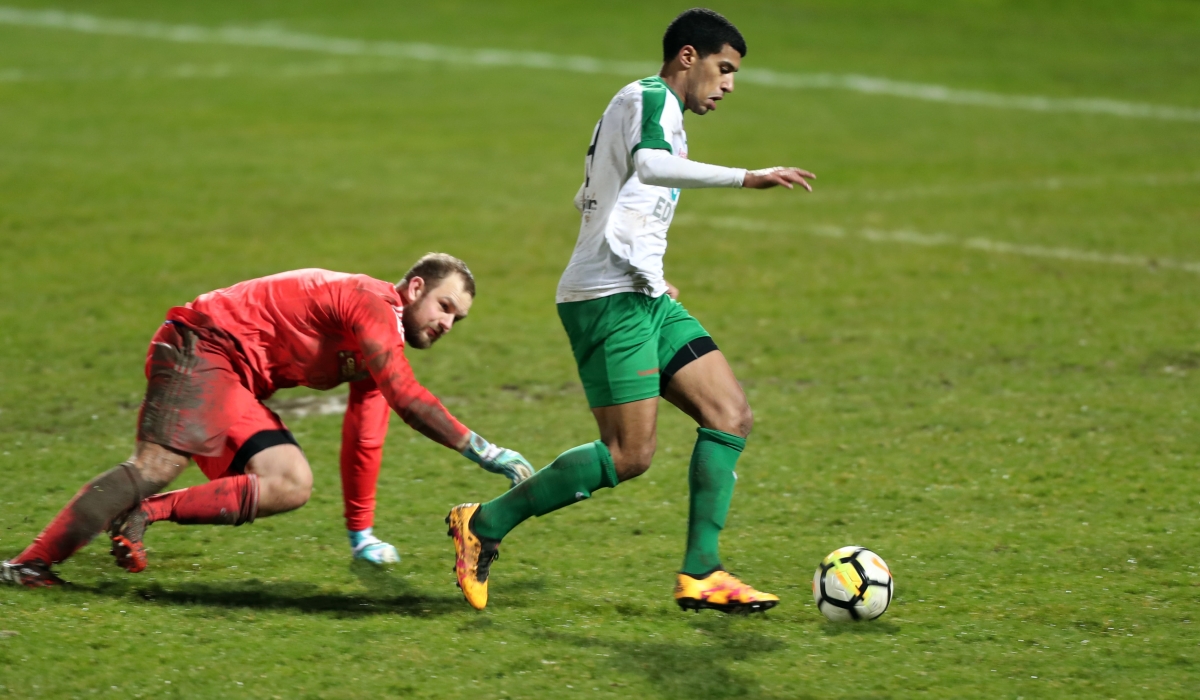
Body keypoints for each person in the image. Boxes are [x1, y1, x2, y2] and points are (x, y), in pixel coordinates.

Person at [446, 8, 816, 613]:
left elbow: (601, 190)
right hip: (605, 299)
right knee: (629, 455)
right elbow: (647, 166)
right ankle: (484, 523)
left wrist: (647, 267)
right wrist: (749, 177)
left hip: (643, 293)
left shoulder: (656, 111)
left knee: (730, 413)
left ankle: (703, 573)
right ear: (687, 57)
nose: (728, 84)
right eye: (724, 69)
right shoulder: (650, 98)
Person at [2, 255, 533, 587]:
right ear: (415, 288)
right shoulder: (371, 303)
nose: (446, 324)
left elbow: (366, 437)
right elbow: (408, 398)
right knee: (157, 463)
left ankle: (143, 515)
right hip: (202, 345)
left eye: (456, 320)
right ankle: (28, 564)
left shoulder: (380, 346)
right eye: (444, 307)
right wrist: (485, 451)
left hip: (235, 382)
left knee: (290, 482)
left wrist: (360, 534)